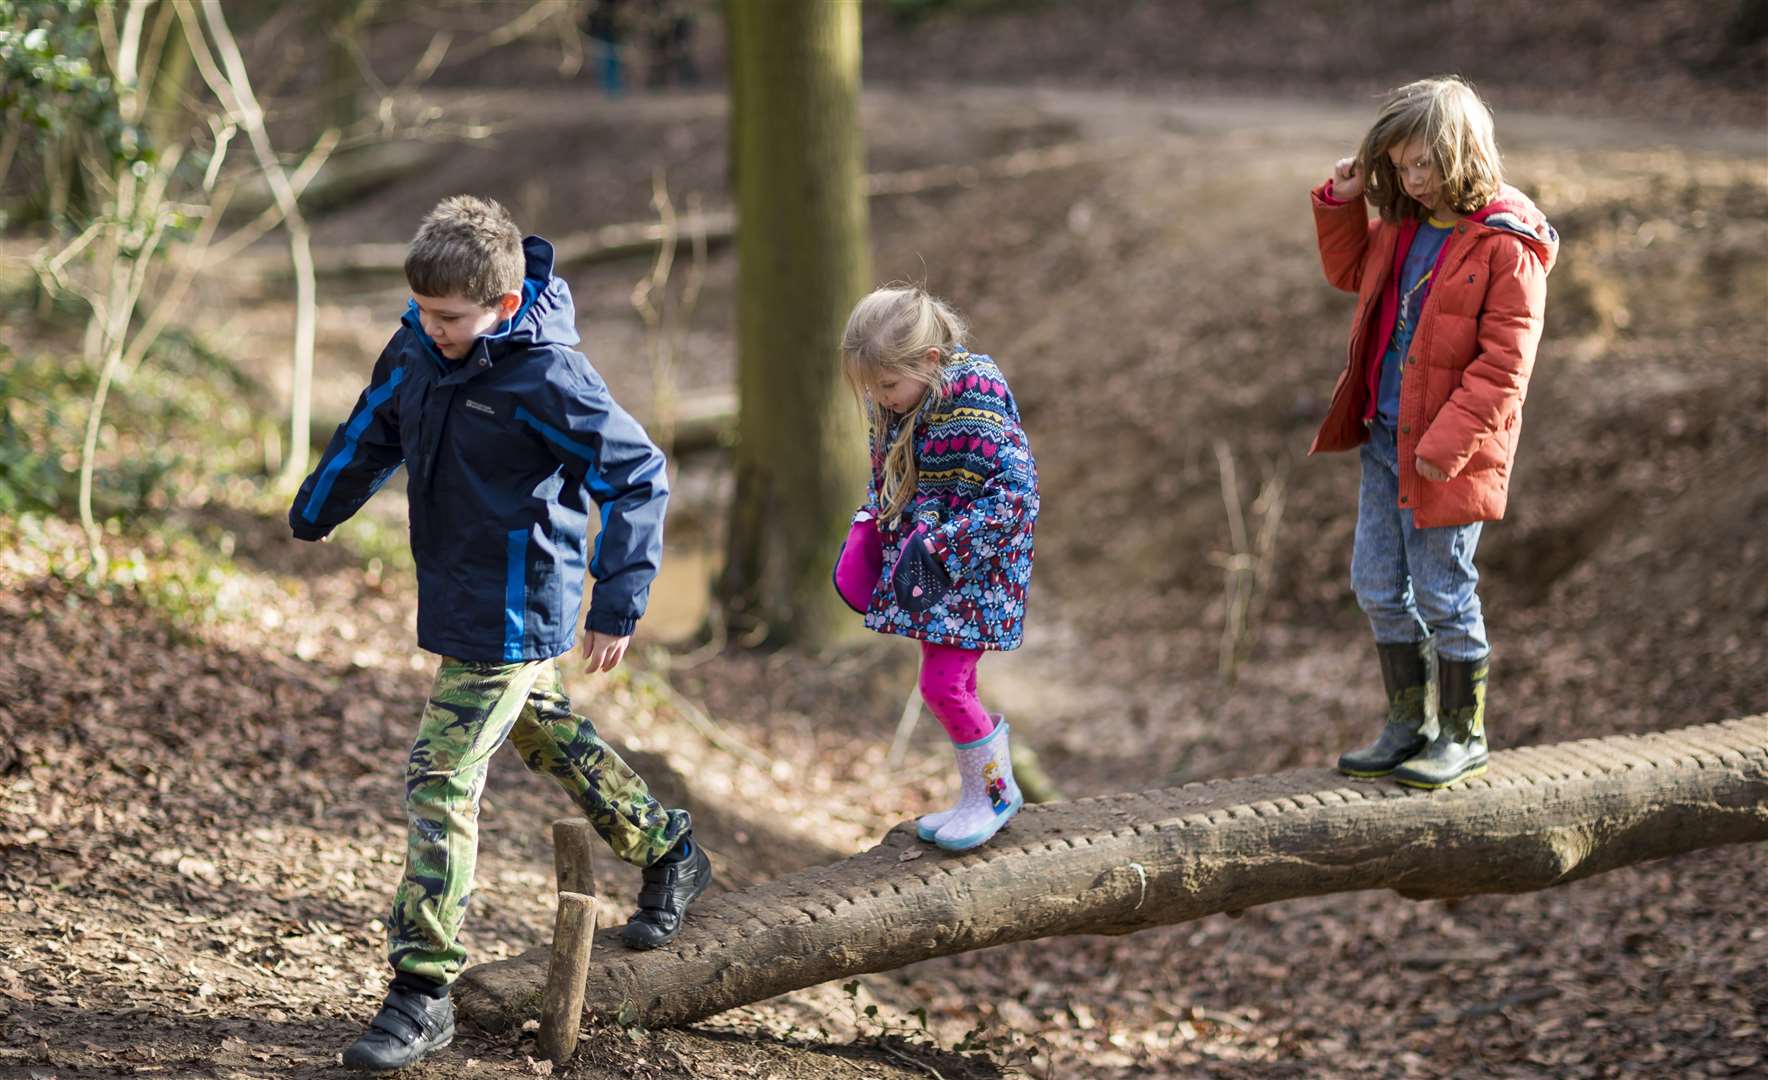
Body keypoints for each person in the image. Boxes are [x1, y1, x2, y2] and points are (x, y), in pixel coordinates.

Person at [288, 196, 712, 1072]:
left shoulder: (546, 377)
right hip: (458, 591)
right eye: (420, 311)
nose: (429, 328)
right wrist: (318, 506)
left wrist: (618, 598)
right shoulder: (417, 343)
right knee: (550, 735)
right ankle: (669, 846)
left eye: (447, 318)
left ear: (504, 306)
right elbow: (375, 426)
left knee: (441, 773)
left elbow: (637, 476)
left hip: (518, 608)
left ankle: (422, 988)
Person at [1310, 77, 1558, 789]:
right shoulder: (1404, 226)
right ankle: (1406, 723)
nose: (1414, 181)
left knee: (1444, 590)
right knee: (1378, 586)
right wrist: (1345, 201)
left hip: (1450, 453)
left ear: (1462, 153)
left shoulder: (1506, 247)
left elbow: (1504, 368)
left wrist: (1445, 448)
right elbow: (1352, 272)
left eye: (1425, 165)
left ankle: (1462, 731)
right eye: (1401, 166)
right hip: (1387, 439)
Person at [833, 285, 1039, 851]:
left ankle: (996, 794)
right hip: (935, 571)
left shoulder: (974, 400)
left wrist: (944, 549)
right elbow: (896, 480)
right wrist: (870, 525)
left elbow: (1016, 496)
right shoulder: (906, 402)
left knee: (941, 684)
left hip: (974, 570)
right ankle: (979, 794)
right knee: (956, 682)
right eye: (871, 387)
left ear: (928, 361)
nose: (880, 396)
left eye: (888, 384)